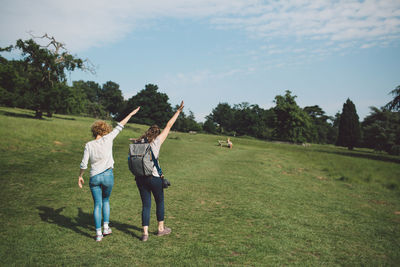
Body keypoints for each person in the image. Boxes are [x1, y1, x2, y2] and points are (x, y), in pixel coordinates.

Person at [78, 107, 140, 242]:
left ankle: (98, 234)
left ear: (94, 131)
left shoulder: (89, 145)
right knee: (106, 200)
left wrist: (80, 176)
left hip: (94, 177)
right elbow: (120, 125)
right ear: (105, 130)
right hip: (108, 176)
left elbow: (84, 164)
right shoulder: (109, 138)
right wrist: (130, 113)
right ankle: (106, 227)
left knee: (97, 205)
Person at [133, 101, 184, 242]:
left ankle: (145, 233)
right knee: (159, 201)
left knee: (146, 205)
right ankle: (161, 229)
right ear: (157, 133)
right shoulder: (157, 141)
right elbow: (169, 125)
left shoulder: (140, 142)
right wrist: (178, 111)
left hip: (140, 177)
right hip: (154, 177)